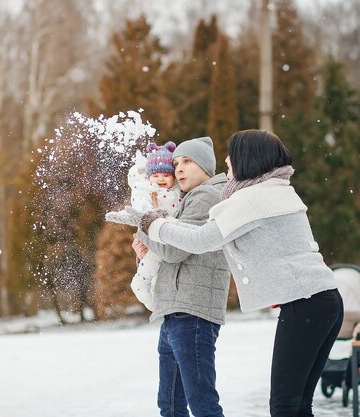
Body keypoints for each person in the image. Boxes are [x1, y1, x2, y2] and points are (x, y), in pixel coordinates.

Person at [122, 129, 344, 417]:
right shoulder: (276, 189)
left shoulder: (250, 200)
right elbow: (202, 234)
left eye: (231, 154)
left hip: (306, 303)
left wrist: (154, 224)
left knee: (285, 406)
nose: (226, 160)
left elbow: (202, 239)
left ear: (247, 158)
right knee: (297, 405)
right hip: (324, 300)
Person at [107, 136, 230, 417]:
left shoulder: (206, 196)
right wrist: (146, 249)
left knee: (202, 404)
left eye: (187, 161)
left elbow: (175, 250)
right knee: (171, 406)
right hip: (176, 311)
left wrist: (143, 225)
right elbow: (168, 251)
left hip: (193, 312)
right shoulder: (186, 199)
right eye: (176, 163)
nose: (180, 169)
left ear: (206, 166)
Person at [108, 141, 181, 311]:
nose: (161, 179)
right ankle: (140, 283)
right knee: (152, 261)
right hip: (155, 237)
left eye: (166, 175)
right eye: (156, 176)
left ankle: (153, 293)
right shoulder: (146, 190)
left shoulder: (177, 192)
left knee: (158, 266)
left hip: (167, 239)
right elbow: (140, 208)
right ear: (149, 177)